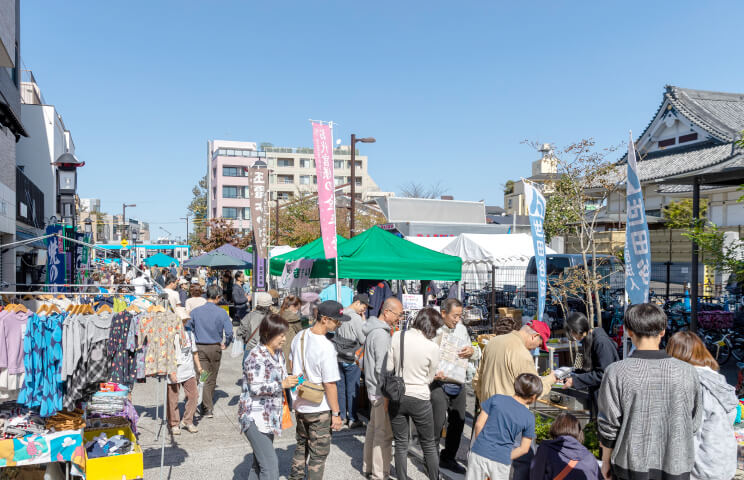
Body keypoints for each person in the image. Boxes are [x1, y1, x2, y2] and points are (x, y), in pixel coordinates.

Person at [598, 303, 701, 480]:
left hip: (630, 465)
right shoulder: (688, 371)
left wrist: (605, 460)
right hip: (676, 464)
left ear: (629, 331)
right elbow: (694, 422)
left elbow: (609, 426)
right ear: (662, 332)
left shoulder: (617, 371)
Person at [473, 321, 556, 479]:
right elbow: (533, 391)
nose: (536, 348)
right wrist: (550, 380)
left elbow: (478, 379)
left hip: (488, 414)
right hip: (512, 419)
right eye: (539, 344)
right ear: (534, 336)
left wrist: (485, 402)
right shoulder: (522, 354)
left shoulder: (493, 343)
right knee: (523, 463)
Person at [666, 331, 737, 480]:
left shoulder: (692, 384)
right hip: (724, 463)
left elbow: (688, 436)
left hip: (701, 469)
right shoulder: (717, 380)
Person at [289, 300, 347, 480]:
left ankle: (295, 477)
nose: (339, 324)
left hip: (300, 401)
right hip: (319, 407)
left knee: (301, 446)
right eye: (337, 321)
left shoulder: (300, 336)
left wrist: (298, 390)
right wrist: (336, 413)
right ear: (324, 319)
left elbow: (291, 365)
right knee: (318, 455)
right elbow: (330, 384)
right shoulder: (326, 347)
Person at [386, 307, 444, 480]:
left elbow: (389, 367)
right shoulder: (432, 347)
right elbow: (430, 376)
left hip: (397, 395)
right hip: (420, 396)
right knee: (428, 444)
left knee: (401, 443)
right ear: (431, 326)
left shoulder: (398, 336)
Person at [239, 314, 299, 480]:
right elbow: (255, 387)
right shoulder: (255, 356)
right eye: (281, 335)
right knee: (271, 468)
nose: (284, 339)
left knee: (259, 464)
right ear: (268, 333)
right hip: (254, 417)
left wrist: (293, 380)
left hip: (269, 416)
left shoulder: (277, 353)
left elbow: (281, 377)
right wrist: (282, 384)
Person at [431, 298, 480, 474]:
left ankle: (448, 457)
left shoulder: (461, 329)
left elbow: (474, 350)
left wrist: (472, 351)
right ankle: (431, 459)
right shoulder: (433, 328)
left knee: (458, 423)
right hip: (438, 382)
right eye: (455, 315)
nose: (457, 319)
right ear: (443, 313)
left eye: (460, 316)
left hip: (459, 382)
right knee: (437, 423)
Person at [467, 373, 542, 480]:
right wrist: (506, 456)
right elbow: (524, 449)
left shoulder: (496, 399)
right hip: (501, 460)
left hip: (479, 452)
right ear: (534, 397)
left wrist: (481, 444)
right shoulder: (529, 417)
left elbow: (479, 424)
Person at [362, 297, 402, 480]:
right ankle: (380, 474)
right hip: (379, 390)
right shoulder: (382, 335)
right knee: (383, 435)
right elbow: (382, 369)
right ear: (387, 312)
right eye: (398, 314)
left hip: (372, 388)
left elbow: (365, 362)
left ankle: (369, 466)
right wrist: (387, 396)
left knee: (373, 430)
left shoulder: (373, 331)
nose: (399, 319)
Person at [186, 285, 234, 419]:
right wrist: (227, 343)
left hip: (199, 347)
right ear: (218, 297)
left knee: (203, 376)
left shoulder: (195, 312)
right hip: (215, 347)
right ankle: (207, 407)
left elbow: (188, 327)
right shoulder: (222, 312)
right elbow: (229, 332)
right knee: (211, 378)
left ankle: (202, 404)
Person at [561, 312, 619, 416]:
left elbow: (604, 374)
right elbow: (578, 366)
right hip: (597, 393)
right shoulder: (585, 340)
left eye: (571, 333)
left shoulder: (601, 342)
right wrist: (567, 374)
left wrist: (575, 380)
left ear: (577, 330)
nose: (572, 337)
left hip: (606, 395)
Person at [332, 293, 369, 428]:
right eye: (363, 307)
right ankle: (352, 418)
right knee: (353, 389)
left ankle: (341, 417)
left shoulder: (340, 313)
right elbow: (363, 339)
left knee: (340, 388)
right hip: (352, 357)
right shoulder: (356, 318)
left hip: (338, 356)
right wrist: (364, 321)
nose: (363, 311)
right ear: (357, 303)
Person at [529, 413, 602, 480]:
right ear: (579, 431)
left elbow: (535, 476)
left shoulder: (546, 450)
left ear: (555, 427)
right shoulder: (589, 457)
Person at [167, 307, 202, 435]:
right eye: (182, 320)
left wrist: (199, 367)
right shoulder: (169, 334)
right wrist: (171, 372)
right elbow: (167, 355)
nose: (184, 322)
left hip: (188, 370)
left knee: (194, 395)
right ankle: (174, 423)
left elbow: (194, 352)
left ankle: (188, 420)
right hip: (174, 370)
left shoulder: (189, 334)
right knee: (173, 399)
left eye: (185, 320)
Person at [279, 295, 303, 369]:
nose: (298, 310)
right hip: (289, 349)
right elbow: (301, 332)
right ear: (292, 306)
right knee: (293, 373)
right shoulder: (293, 318)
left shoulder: (280, 313)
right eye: (298, 308)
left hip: (279, 348)